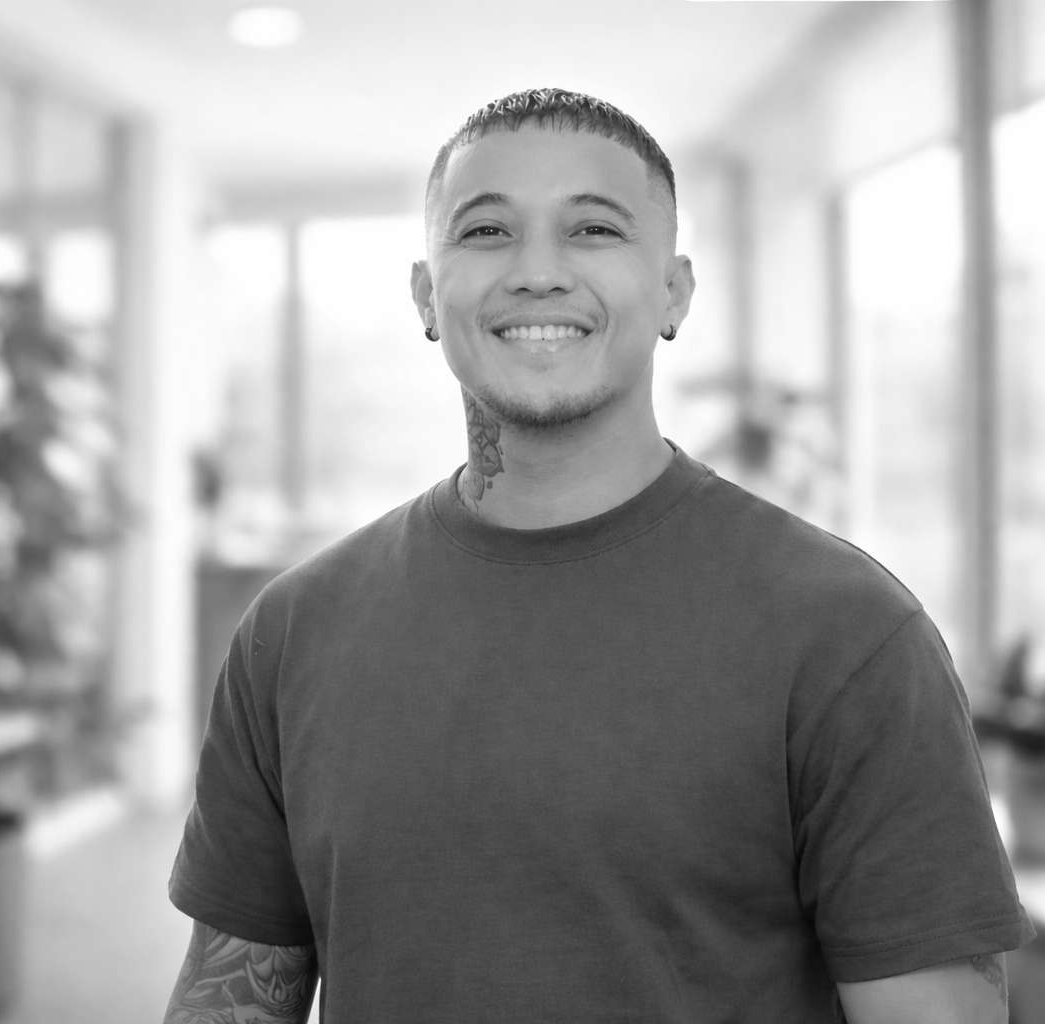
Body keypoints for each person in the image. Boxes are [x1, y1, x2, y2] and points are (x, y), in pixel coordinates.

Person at [161, 87, 1034, 1023]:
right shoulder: (293, 633)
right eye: (487, 231)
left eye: (594, 230)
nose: (538, 272)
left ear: (674, 290)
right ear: (426, 293)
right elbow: (231, 997)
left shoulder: (849, 633)